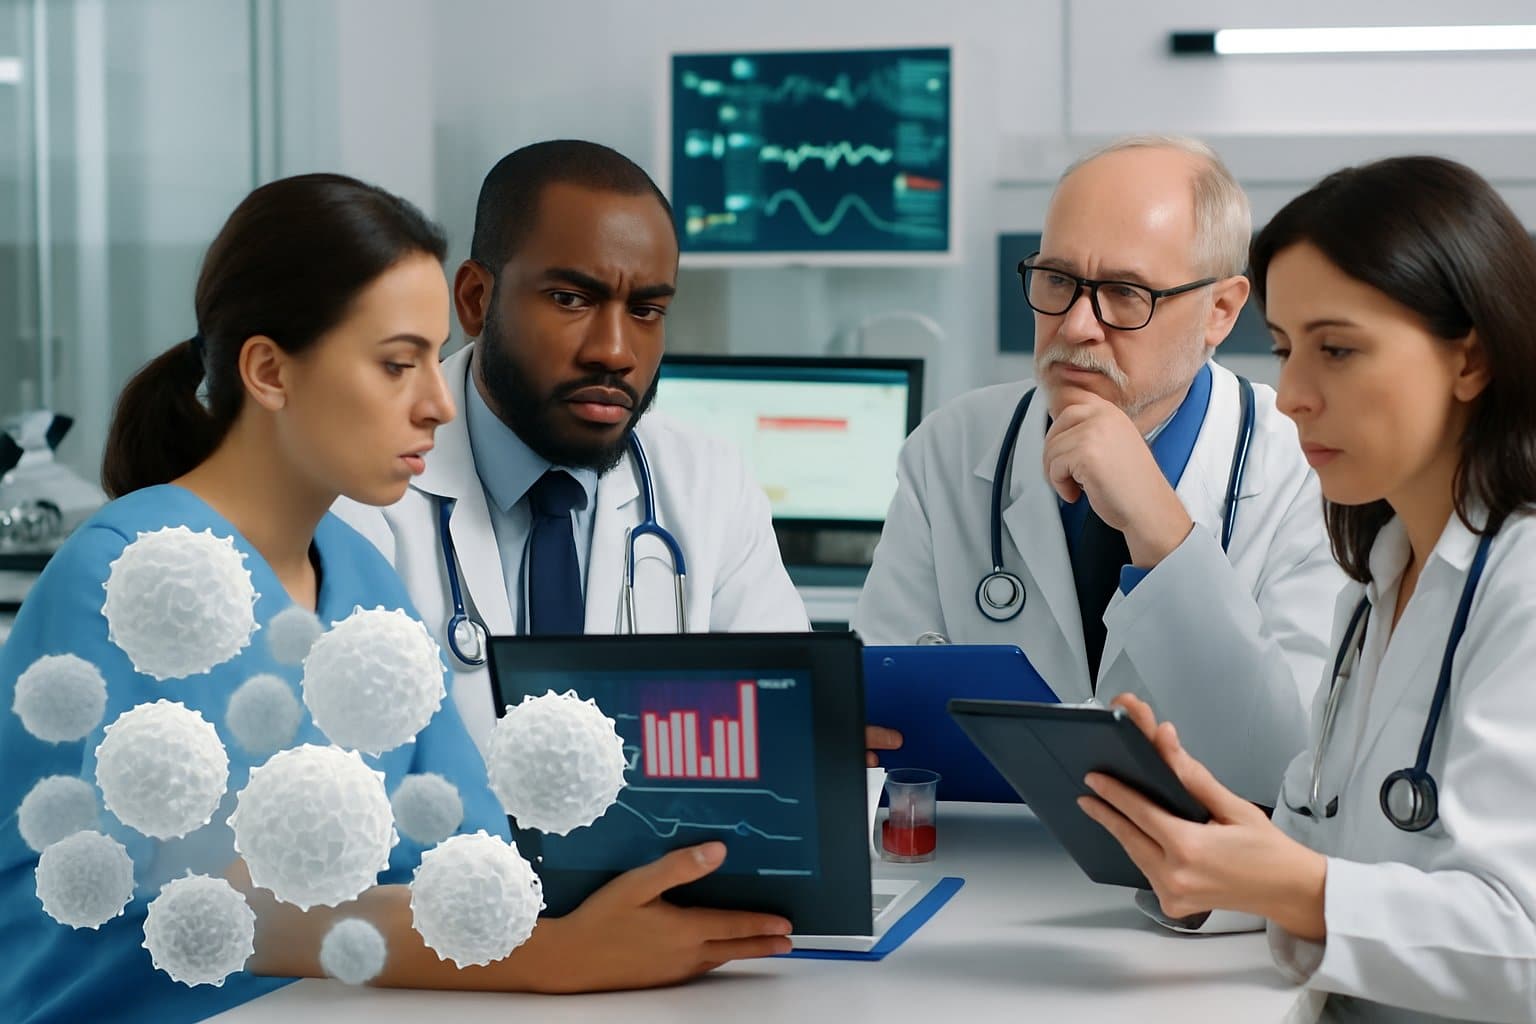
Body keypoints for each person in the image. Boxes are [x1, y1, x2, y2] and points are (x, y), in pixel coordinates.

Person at [0, 174, 791, 1024]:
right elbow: (206, 903)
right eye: (396, 364)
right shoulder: (133, 572)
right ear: (269, 371)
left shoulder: (356, 570)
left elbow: (466, 845)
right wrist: (552, 957)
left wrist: (620, 914)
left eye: (433, 358)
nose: (439, 402)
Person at [1080, 156, 1536, 1023]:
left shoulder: (1524, 586)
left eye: (1336, 349)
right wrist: (1203, 856)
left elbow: (1522, 938)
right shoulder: (1377, 588)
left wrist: (1300, 884)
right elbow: (1318, 852)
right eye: (1286, 350)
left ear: (1469, 359)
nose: (1290, 397)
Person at [853, 136, 1345, 804]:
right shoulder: (954, 444)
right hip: (976, 872)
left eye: (1124, 292)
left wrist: (1160, 532)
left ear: (1221, 311)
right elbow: (879, 723)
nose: (1077, 325)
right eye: (1057, 280)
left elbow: (1289, 773)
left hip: (1193, 893)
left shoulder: (1307, 470)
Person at [335, 140, 816, 756]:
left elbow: (780, 734)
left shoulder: (709, 484)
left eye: (646, 309)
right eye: (571, 299)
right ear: (477, 301)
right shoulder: (361, 484)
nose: (614, 352)